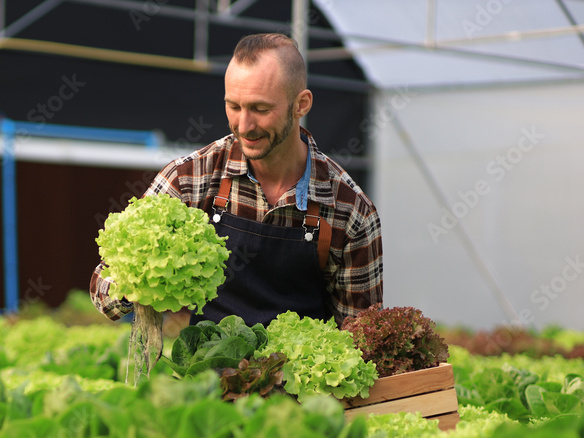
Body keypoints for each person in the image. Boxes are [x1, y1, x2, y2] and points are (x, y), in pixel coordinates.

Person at [90, 33, 383, 328]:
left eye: (260, 109)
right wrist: (139, 278)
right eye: (234, 106)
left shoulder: (349, 210)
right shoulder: (191, 178)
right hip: (205, 370)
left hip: (295, 371)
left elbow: (359, 335)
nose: (244, 125)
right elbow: (104, 290)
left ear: (301, 104)